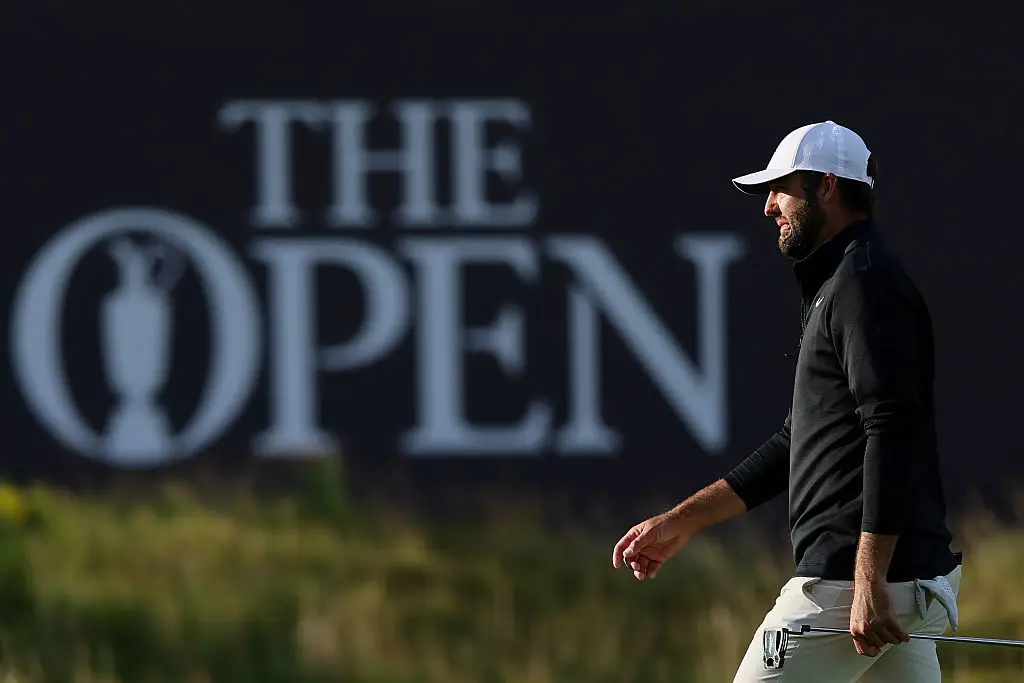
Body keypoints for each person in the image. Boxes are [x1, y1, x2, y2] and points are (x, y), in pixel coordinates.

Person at [611, 121, 963, 682]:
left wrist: (867, 580)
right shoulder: (844, 282)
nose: (769, 206)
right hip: (898, 582)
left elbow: (893, 426)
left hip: (850, 587)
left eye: (781, 189)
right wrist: (683, 522)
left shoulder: (864, 285)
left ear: (827, 186)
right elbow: (796, 441)